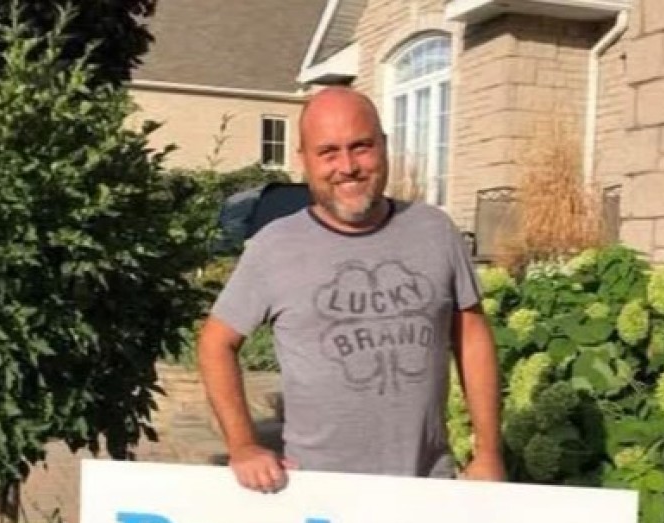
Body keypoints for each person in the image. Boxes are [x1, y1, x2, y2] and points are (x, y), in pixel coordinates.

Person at [198, 86, 504, 494]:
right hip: (318, 490)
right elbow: (215, 343)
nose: (347, 166)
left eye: (361, 147)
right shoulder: (274, 246)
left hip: (428, 486)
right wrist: (243, 446)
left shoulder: (435, 230)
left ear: (384, 146)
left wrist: (488, 452)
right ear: (304, 160)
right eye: (328, 152)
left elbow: (471, 336)